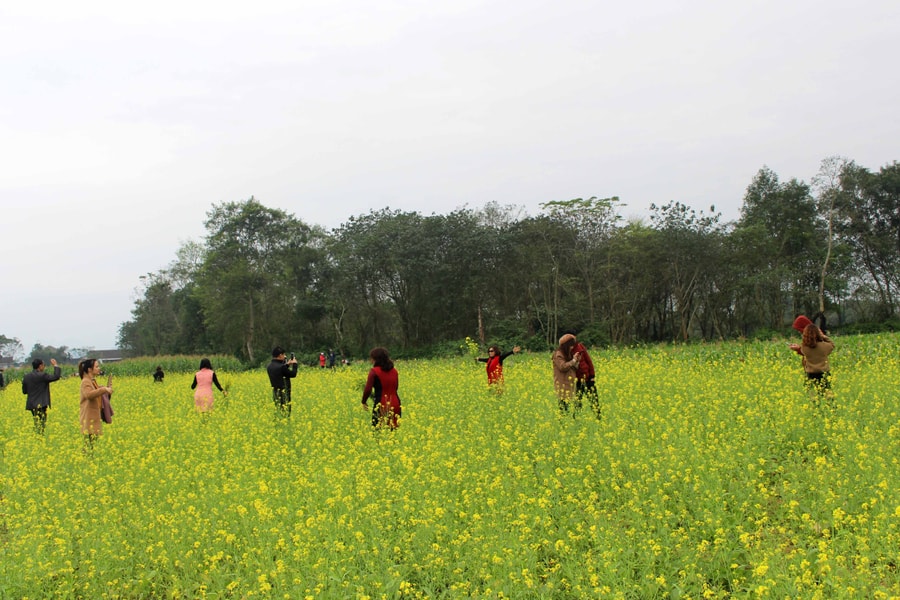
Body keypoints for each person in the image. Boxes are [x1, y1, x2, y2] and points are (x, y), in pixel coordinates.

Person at [361, 347, 401, 429]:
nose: (370, 360)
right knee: (393, 433)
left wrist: (364, 401)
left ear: (376, 359)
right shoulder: (395, 371)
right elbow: (395, 387)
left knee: (377, 432)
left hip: (381, 404)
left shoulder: (374, 371)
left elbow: (368, 389)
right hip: (396, 403)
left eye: (371, 358)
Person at [79, 358, 112, 452]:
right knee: (89, 445)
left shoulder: (92, 381)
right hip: (89, 418)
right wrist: (104, 389)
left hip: (93, 417)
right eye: (96, 366)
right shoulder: (86, 381)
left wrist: (106, 390)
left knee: (91, 445)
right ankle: (86, 461)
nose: (99, 368)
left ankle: (88, 461)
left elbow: (98, 396)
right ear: (89, 369)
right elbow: (89, 395)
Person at [797, 323, 835, 404]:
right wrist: (823, 336)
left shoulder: (804, 347)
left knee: (812, 397)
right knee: (828, 395)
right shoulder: (824, 346)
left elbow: (802, 350)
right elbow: (832, 345)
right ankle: (832, 411)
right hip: (824, 373)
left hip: (810, 374)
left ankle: (816, 411)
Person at [22, 358, 61, 434]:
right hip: (42, 404)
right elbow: (56, 376)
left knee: (37, 422)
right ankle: (40, 436)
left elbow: (24, 391)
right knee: (42, 422)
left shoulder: (26, 376)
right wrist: (55, 365)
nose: (44, 367)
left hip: (32, 404)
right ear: (40, 366)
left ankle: (37, 436)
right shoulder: (43, 375)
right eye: (44, 365)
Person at [552, 334, 581, 414]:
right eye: (570, 345)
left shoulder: (568, 354)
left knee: (567, 409)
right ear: (566, 345)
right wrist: (573, 361)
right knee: (563, 408)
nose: (572, 347)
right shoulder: (558, 354)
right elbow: (563, 367)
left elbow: (573, 368)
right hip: (562, 385)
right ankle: (562, 424)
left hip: (569, 384)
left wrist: (577, 360)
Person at [572, 337, 600, 418]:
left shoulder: (580, 347)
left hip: (588, 379)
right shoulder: (565, 352)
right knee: (577, 403)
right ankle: (576, 420)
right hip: (576, 381)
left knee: (594, 401)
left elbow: (589, 361)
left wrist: (592, 376)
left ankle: (598, 418)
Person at [267, 347, 298, 416]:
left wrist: (287, 364)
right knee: (286, 412)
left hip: (275, 392)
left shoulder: (269, 366)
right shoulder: (281, 367)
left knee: (278, 410)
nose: (285, 357)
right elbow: (293, 374)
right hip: (284, 393)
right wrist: (295, 364)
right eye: (284, 355)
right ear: (280, 355)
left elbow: (279, 371)